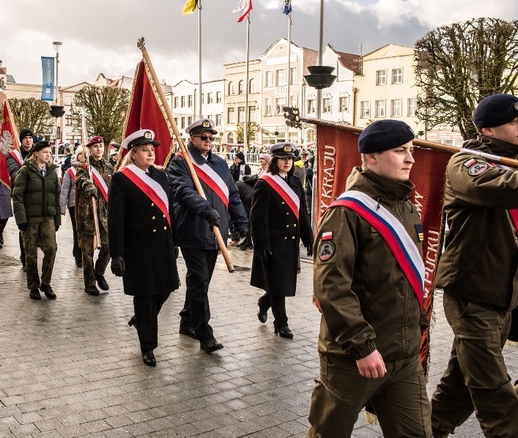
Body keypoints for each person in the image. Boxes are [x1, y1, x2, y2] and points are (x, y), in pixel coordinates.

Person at [431, 94, 518, 438]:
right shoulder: (467, 164)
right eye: (514, 121)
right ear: (488, 128)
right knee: (495, 394)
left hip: (505, 301)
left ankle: (431, 428)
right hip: (472, 297)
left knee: (458, 388)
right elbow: (507, 190)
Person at [307, 119, 432, 437]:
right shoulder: (347, 212)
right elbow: (331, 286)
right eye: (400, 150)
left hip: (403, 358)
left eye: (411, 150)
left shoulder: (406, 206)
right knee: (328, 433)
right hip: (353, 359)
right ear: (371, 157)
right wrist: (362, 347)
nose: (410, 159)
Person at [167, 119, 248, 354]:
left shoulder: (220, 164)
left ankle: (186, 320)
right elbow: (183, 191)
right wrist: (205, 210)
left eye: (211, 138)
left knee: (201, 282)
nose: (208, 142)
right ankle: (205, 334)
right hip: (193, 229)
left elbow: (233, 194)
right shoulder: (181, 162)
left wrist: (241, 221)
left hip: (216, 232)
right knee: (199, 280)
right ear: (192, 138)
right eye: (204, 138)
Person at [108, 129, 180, 367]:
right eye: (145, 150)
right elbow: (116, 219)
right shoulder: (122, 178)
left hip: (162, 243)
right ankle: (147, 346)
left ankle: (141, 321)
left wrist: (175, 241)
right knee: (145, 296)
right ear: (134, 153)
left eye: (152, 150)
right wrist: (116, 254)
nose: (151, 153)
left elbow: (169, 212)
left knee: (166, 289)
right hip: (138, 247)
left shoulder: (160, 176)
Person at [250, 142, 312, 339]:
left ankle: (264, 302)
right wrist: (261, 244)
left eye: (290, 159)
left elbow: (302, 213)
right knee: (279, 282)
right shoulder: (265, 183)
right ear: (275, 161)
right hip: (273, 241)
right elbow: (257, 217)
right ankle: (281, 323)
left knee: (282, 282)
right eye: (283, 159)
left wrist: (309, 239)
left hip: (291, 242)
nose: (287, 162)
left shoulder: (295, 183)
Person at [12, 140, 61, 300]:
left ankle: (45, 283)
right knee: (31, 254)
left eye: (49, 152)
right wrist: (21, 219)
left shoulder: (52, 172)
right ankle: (33, 286)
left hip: (48, 218)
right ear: (36, 154)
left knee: (51, 249)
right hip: (30, 218)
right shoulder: (25, 171)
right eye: (45, 152)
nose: (48, 155)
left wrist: (57, 218)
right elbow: (17, 196)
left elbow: (56, 197)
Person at [75, 135, 112, 296]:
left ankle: (99, 273)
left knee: (108, 247)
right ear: (89, 149)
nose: (99, 149)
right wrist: (88, 185)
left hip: (104, 215)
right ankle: (89, 283)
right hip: (87, 214)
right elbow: (80, 179)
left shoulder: (109, 167)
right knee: (87, 252)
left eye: (101, 146)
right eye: (95, 146)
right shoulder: (84, 167)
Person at [7, 128, 35, 269]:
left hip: (36, 195)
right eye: (25, 138)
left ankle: (32, 256)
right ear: (21, 140)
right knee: (24, 227)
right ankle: (25, 257)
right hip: (21, 195)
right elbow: (14, 173)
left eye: (30, 137)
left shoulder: (38, 152)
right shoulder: (13, 156)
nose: (28, 140)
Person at [60, 146, 84, 267]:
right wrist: (62, 207)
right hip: (74, 203)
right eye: (81, 154)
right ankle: (78, 254)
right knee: (77, 229)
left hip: (87, 204)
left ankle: (83, 253)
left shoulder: (89, 169)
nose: (82, 157)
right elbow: (64, 190)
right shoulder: (70, 171)